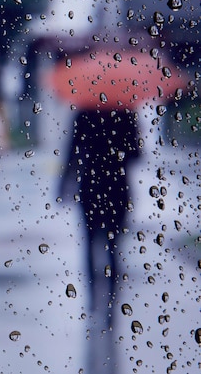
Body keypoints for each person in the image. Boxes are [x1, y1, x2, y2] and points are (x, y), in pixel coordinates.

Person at [60, 108, 140, 374]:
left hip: (90, 186)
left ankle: (94, 301)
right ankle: (110, 305)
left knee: (90, 246)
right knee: (114, 249)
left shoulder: (83, 114)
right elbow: (137, 154)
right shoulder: (127, 114)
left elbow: (72, 154)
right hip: (117, 186)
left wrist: (63, 185)